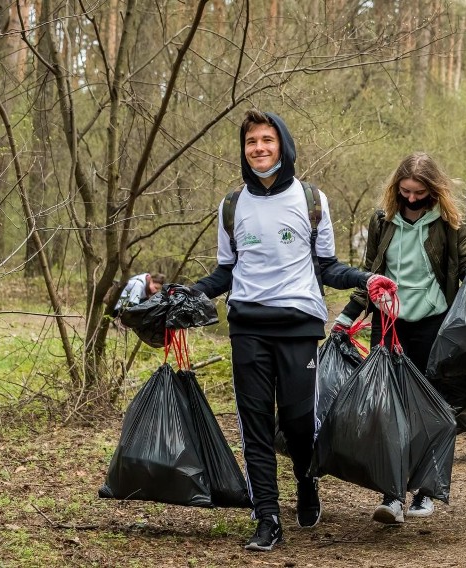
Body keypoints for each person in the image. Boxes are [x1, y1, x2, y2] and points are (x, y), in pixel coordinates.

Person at [192, 110, 394, 552]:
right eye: (251, 142)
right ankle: (266, 517)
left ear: (282, 144)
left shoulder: (311, 200)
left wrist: (364, 279)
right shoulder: (231, 206)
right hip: (247, 325)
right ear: (244, 150)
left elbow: (328, 268)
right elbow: (224, 273)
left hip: (300, 324)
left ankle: (306, 480)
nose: (259, 148)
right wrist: (187, 294)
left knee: (300, 423)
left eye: (267, 140)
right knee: (255, 424)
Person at [333, 152, 466, 524]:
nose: (412, 199)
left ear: (434, 189)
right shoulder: (383, 220)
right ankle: (393, 495)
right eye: (405, 191)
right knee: (390, 409)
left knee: (430, 408)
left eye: (419, 192)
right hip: (389, 323)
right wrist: (348, 317)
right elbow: (371, 274)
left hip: (433, 322)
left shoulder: (450, 220)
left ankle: (425, 492)